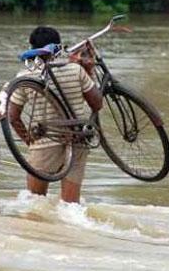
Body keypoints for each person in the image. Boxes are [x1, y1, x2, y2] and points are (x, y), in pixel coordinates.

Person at [6, 26, 102, 203]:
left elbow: (12, 116)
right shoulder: (75, 70)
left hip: (44, 143)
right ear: (58, 47)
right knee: (71, 205)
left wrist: (28, 139)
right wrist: (89, 71)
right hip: (78, 139)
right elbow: (97, 104)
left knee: (35, 203)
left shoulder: (25, 76)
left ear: (32, 48)